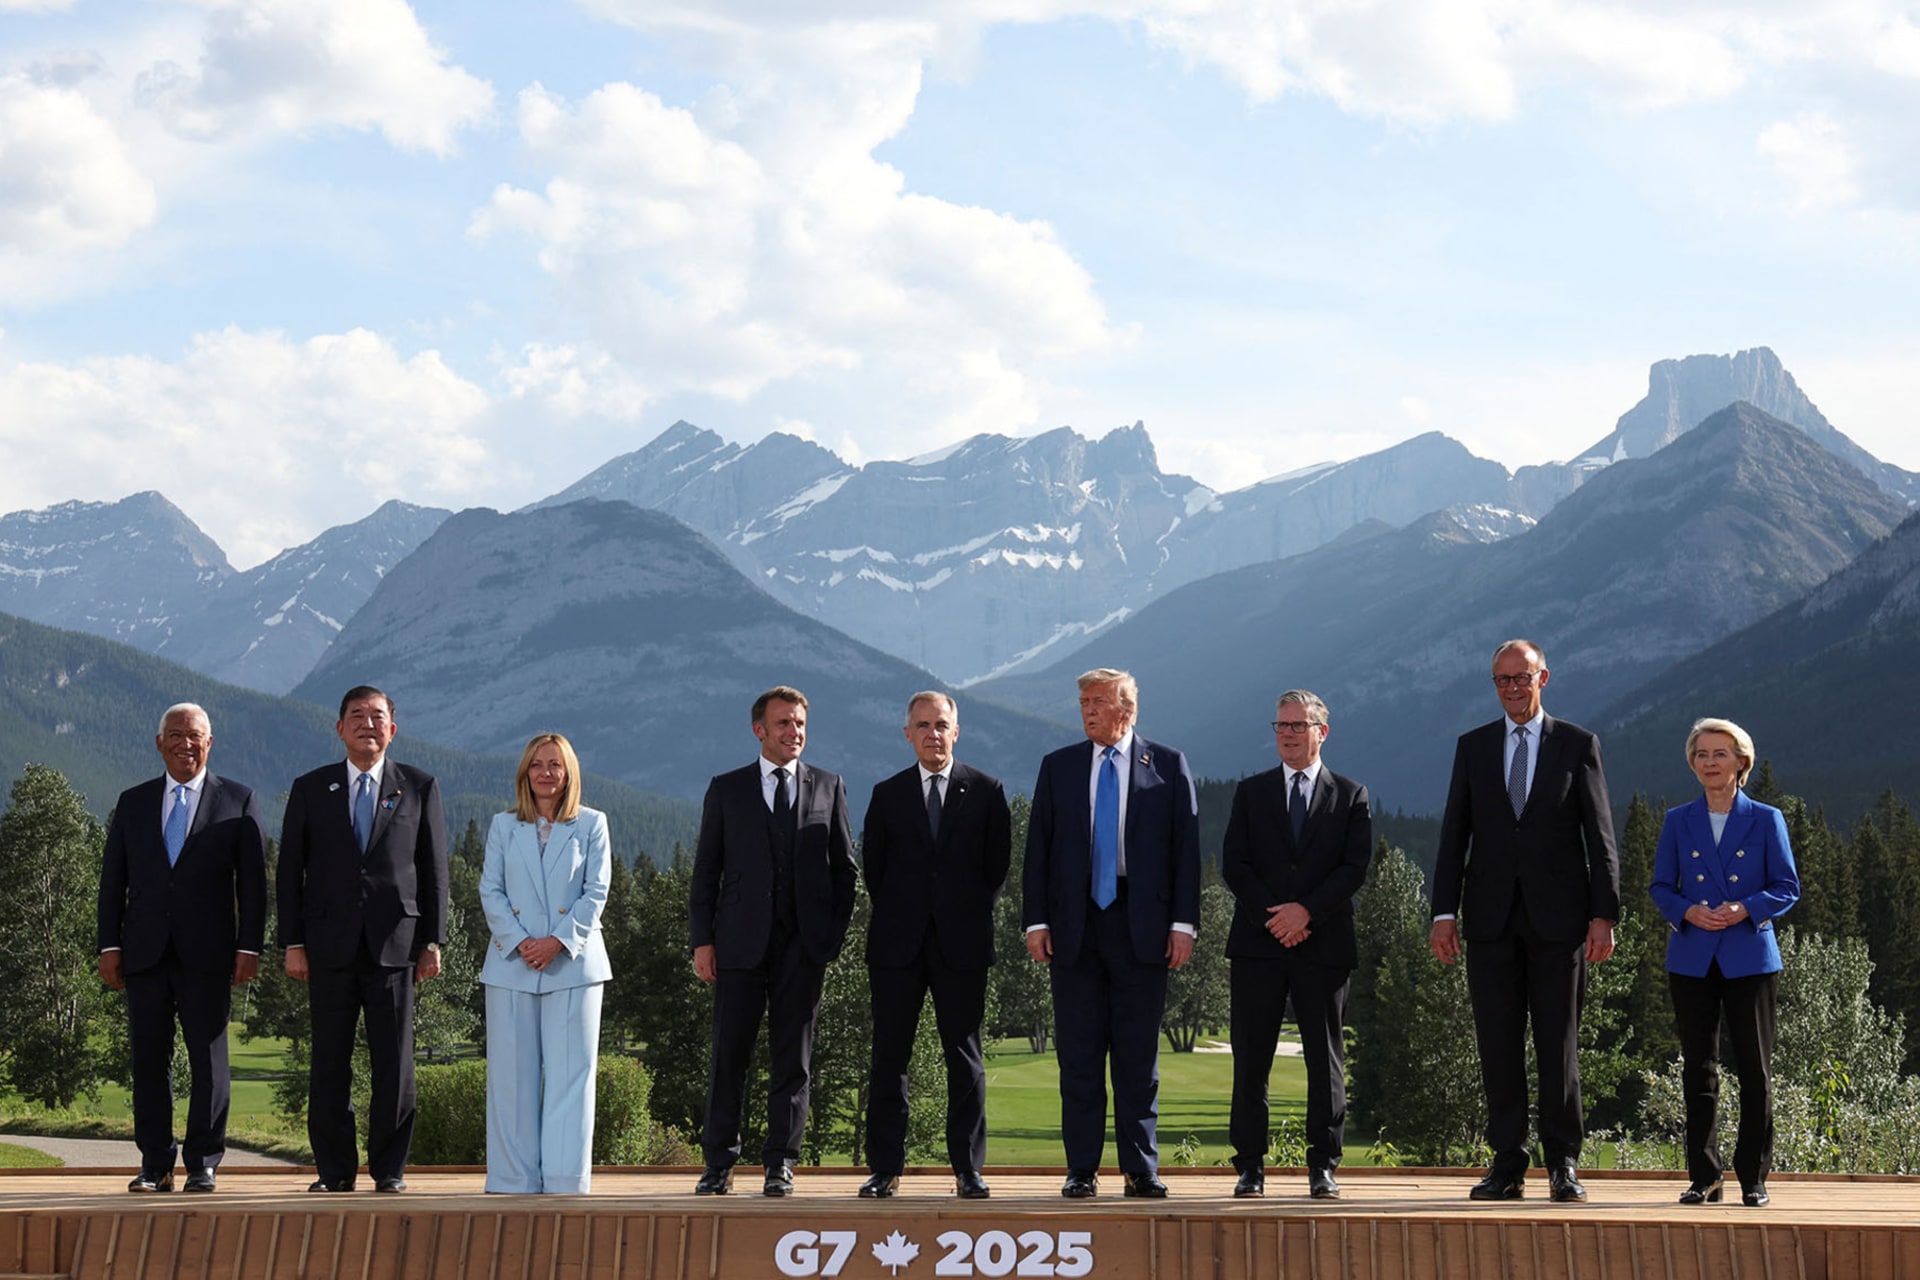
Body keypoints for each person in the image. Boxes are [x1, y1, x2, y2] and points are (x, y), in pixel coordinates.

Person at [1429, 639, 1620, 1203]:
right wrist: (1444, 912)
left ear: (1544, 678)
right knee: (1498, 1046)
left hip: (1560, 924)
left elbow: (1600, 837)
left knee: (1558, 1046)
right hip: (1489, 922)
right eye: (1502, 679)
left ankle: (1563, 1164)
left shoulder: (1578, 744)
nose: (1512, 687)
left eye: (1522, 677)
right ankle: (1507, 1164)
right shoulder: (1472, 747)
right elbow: (1454, 835)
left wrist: (1604, 914)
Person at [1024, 668, 1201, 1199]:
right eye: (1083, 702)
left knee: (1137, 1056)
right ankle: (1081, 1169)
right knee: (1078, 1055)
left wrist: (1183, 924)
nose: (1088, 710)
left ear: (1128, 710)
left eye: (1098, 701)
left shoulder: (1167, 764)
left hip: (1142, 926)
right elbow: (1038, 850)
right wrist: (1036, 921)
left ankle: (1140, 1169)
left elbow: (1186, 852)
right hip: (1074, 926)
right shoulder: (1058, 766)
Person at [278, 685, 449, 1194]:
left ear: (392, 729)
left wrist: (433, 940)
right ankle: (333, 1171)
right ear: (339, 728)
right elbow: (289, 872)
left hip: (396, 944)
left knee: (394, 1063)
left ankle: (389, 1169)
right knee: (329, 1062)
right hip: (327, 945)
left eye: (377, 716)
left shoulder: (419, 786)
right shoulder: (311, 788)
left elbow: (434, 870)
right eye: (356, 715)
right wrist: (292, 941)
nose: (367, 724)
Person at [689, 686, 857, 1197]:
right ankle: (719, 1162)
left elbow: (845, 871)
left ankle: (780, 1163)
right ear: (759, 729)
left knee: (793, 1060)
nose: (794, 731)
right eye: (784, 723)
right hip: (738, 945)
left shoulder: (828, 785)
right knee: (729, 1056)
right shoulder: (726, 789)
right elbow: (706, 872)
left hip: (803, 948)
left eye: (800, 723)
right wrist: (702, 941)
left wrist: (830, 937)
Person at [97, 703, 267, 1194]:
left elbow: (253, 886)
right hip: (144, 952)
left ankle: (203, 1163)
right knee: (149, 1062)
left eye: (194, 736)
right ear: (159, 743)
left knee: (209, 1062)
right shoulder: (133, 802)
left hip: (210, 954)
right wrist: (109, 945)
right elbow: (113, 881)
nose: (184, 744)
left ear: (209, 743)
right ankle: (155, 1164)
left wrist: (250, 947)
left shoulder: (238, 800)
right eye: (175, 734)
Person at [859, 692, 1012, 1200]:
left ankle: (968, 1169)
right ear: (908, 734)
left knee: (964, 1059)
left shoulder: (987, 791)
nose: (933, 734)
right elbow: (875, 871)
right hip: (896, 947)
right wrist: (907, 916)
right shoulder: (886, 794)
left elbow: (996, 869)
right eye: (922, 725)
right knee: (889, 1059)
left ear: (956, 731)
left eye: (941, 724)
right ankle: (885, 1169)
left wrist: (961, 914)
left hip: (962, 945)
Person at [1221, 690, 1372, 1200]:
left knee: (1325, 1060)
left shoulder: (1351, 795)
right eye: (1281, 726)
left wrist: (1306, 912)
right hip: (1258, 944)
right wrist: (1277, 918)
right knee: (1251, 1059)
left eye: (1297, 725)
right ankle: (1249, 1167)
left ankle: (1323, 1166)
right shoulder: (1251, 792)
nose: (1287, 734)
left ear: (1321, 732)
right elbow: (1235, 864)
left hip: (1323, 945)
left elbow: (1354, 868)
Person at [1650, 718, 1799, 1208]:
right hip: (1692, 956)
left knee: (1755, 1070)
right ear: (1692, 764)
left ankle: (1754, 1177)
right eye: (1702, 754)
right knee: (1698, 1070)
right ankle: (1705, 1176)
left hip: (1749, 956)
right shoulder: (1678, 820)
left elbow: (1786, 886)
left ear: (1741, 762)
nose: (1710, 763)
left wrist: (1745, 908)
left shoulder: (1767, 819)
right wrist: (1687, 911)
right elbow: (1660, 887)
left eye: (1720, 754)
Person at [479, 733, 613, 1194]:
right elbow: (490, 889)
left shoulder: (592, 823)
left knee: (571, 1077)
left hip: (574, 963)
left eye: (555, 764)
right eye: (537, 764)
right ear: (524, 772)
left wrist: (557, 941)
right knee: (510, 1079)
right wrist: (522, 942)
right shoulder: (503, 825)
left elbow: (596, 892)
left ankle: (564, 1180)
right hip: (511, 963)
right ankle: (511, 1179)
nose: (546, 773)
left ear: (569, 772)